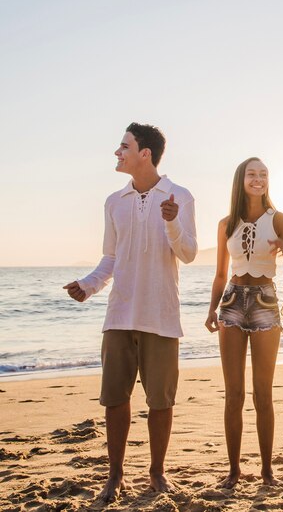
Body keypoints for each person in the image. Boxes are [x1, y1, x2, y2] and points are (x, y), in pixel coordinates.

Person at [63, 123, 197, 502]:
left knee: (161, 401)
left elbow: (187, 253)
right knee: (115, 399)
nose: (117, 153)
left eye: (124, 146)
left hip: (161, 316)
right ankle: (115, 475)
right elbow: (111, 258)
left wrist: (171, 222)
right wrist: (88, 286)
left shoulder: (180, 196)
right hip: (119, 316)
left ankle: (157, 473)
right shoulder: (114, 202)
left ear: (145, 154)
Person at [205, 157, 283, 488]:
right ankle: (233, 470)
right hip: (231, 303)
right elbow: (220, 273)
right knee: (234, 394)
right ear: (241, 180)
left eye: (263, 174)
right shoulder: (226, 223)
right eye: (252, 174)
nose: (258, 179)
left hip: (264, 302)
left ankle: (267, 470)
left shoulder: (280, 219)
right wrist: (211, 309)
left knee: (263, 394)